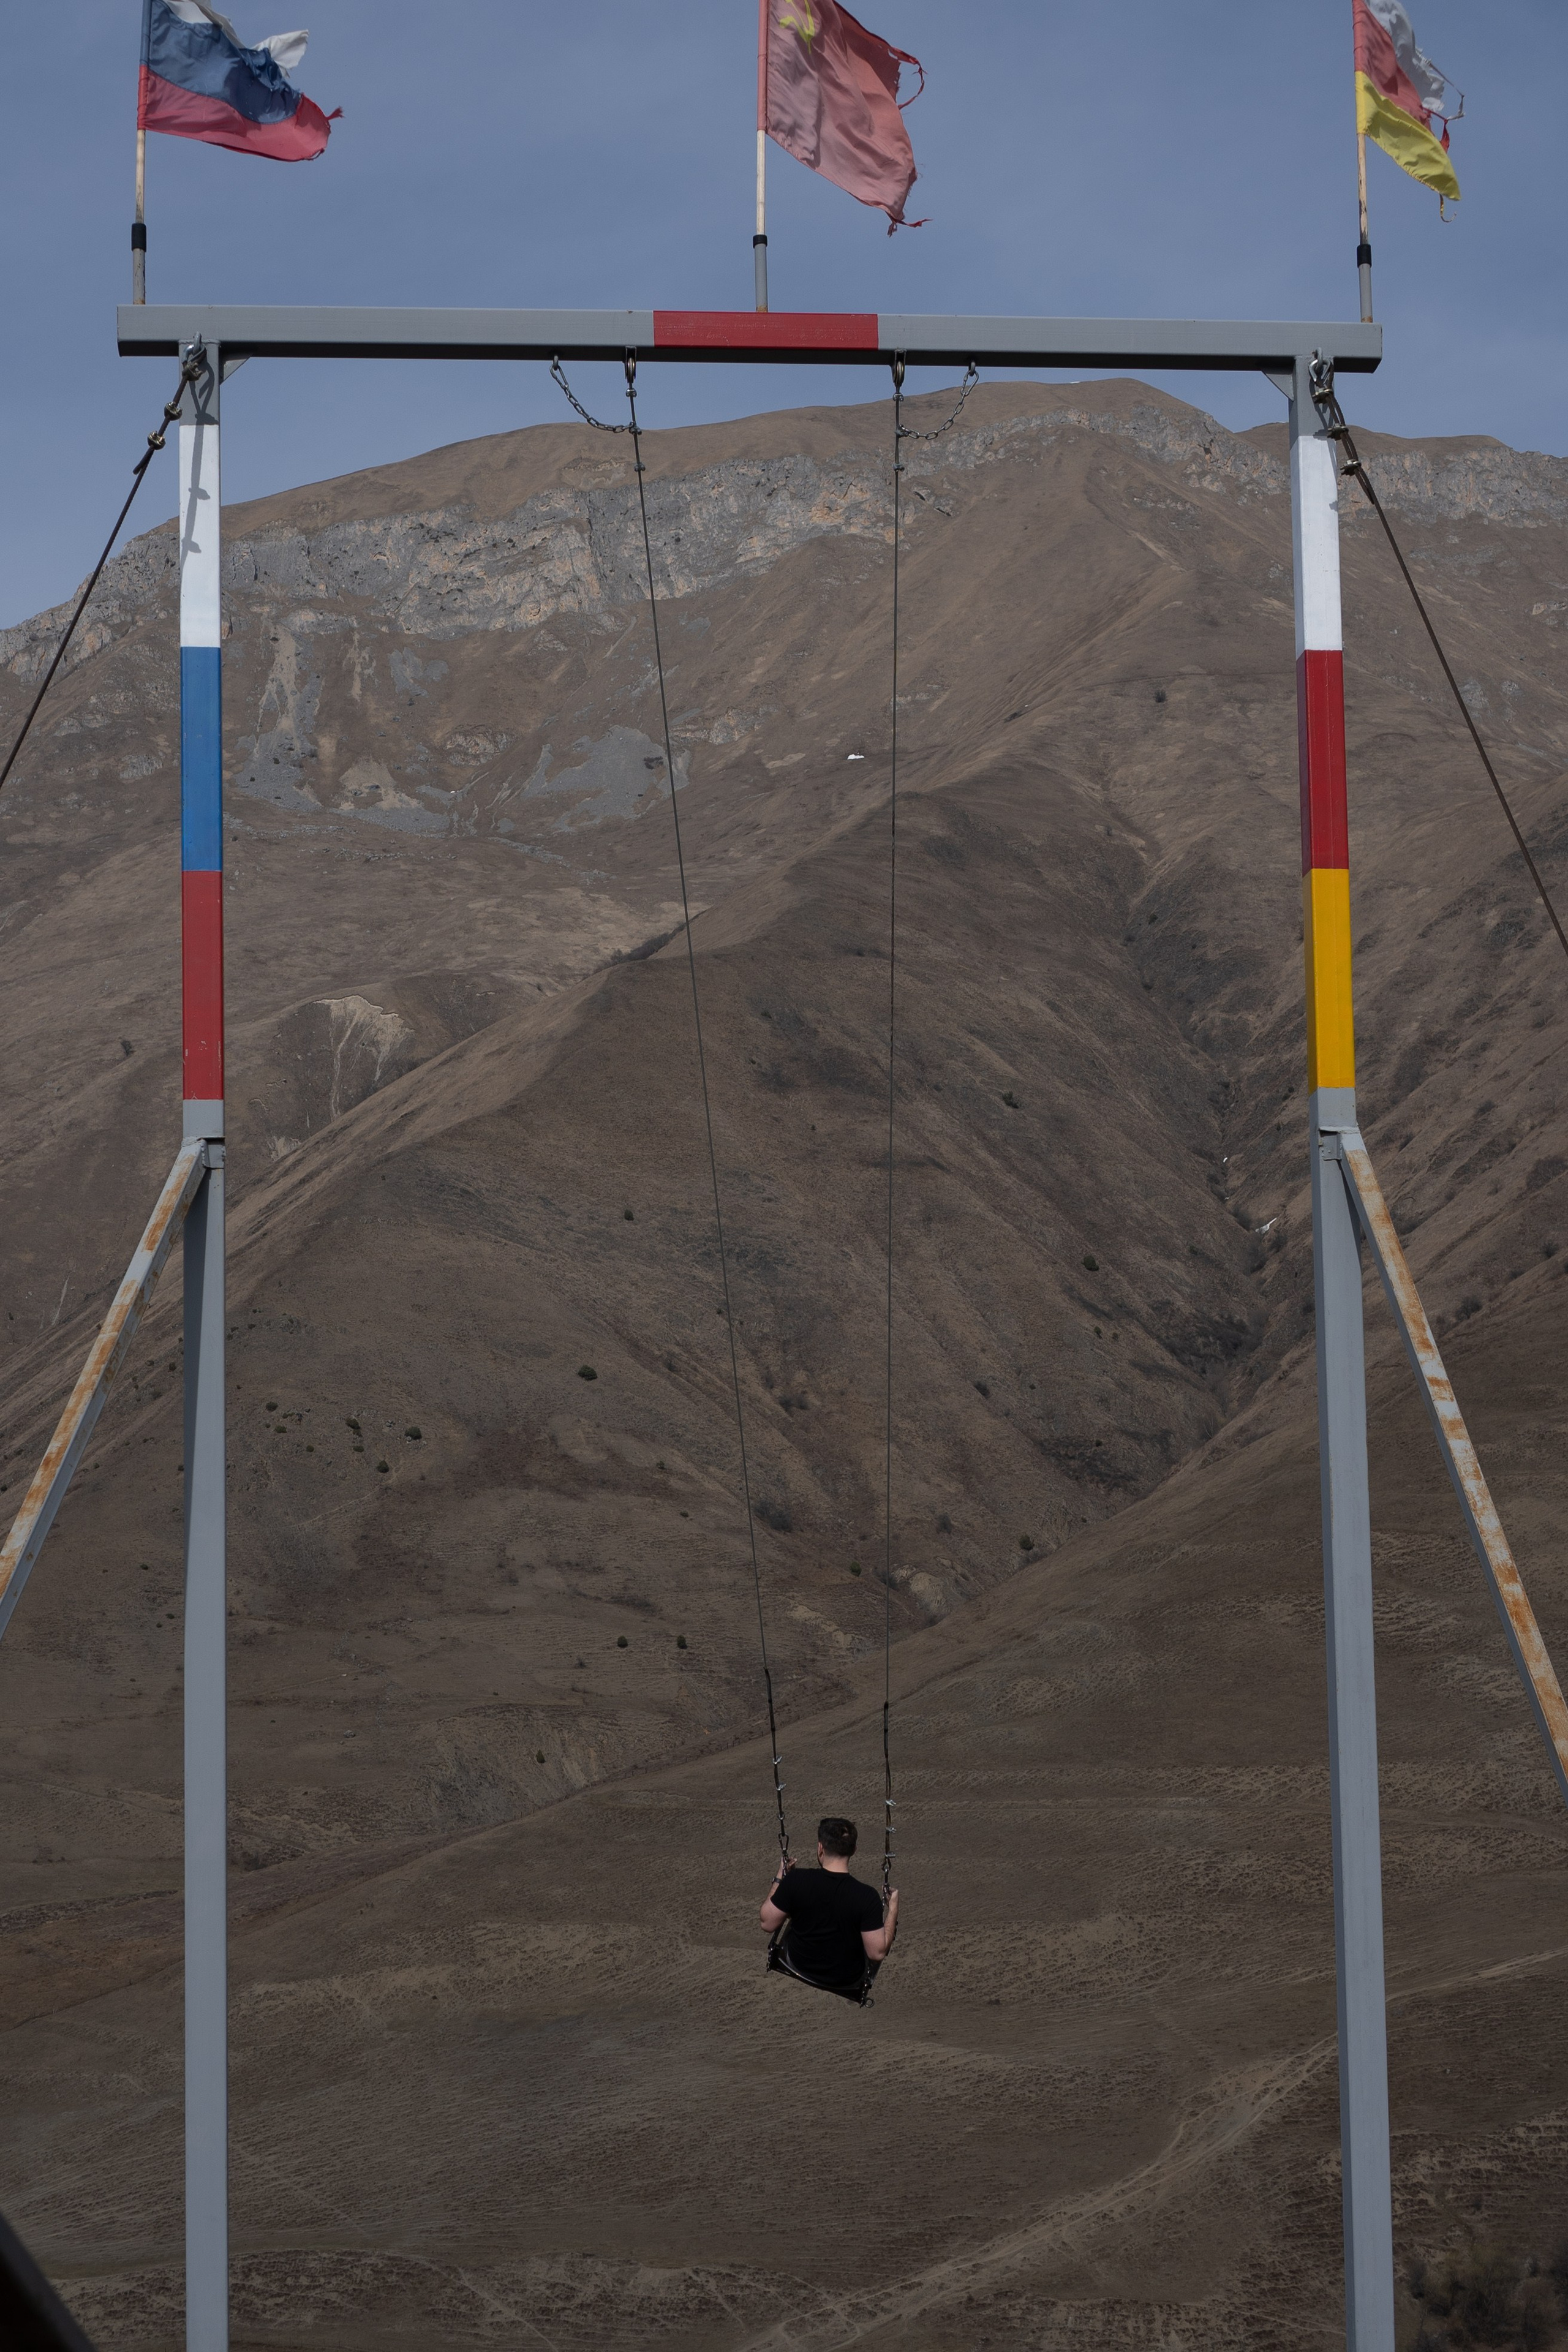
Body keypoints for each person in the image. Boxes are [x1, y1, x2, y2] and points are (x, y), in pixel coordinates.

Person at [760, 1816, 898, 1992]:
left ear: (820, 1848)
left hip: (798, 1964)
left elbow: (766, 1923)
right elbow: (876, 1953)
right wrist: (893, 1909)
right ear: (854, 1850)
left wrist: (781, 1878)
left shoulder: (796, 1880)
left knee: (797, 1902)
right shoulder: (867, 1897)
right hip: (846, 1978)